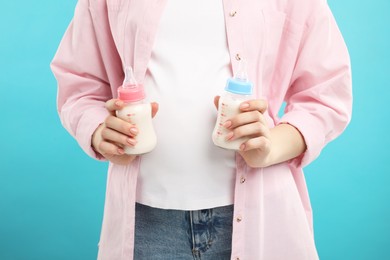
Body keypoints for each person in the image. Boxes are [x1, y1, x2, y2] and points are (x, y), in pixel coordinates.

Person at [51, 0, 352, 259]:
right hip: (144, 223)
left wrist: (271, 146)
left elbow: (326, 95)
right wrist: (99, 131)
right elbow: (80, 84)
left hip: (260, 217)